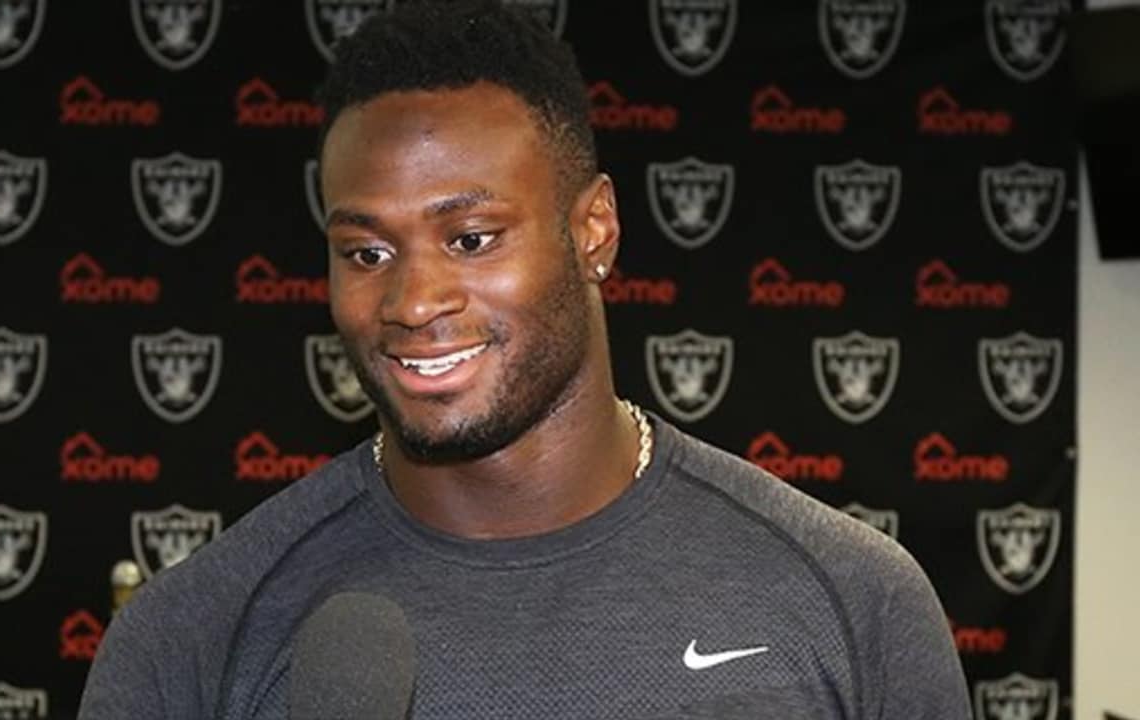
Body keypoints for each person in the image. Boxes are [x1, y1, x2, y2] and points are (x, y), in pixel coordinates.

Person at [78, 2, 972, 717]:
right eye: (366, 252)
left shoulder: (852, 599)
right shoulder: (192, 636)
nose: (413, 301)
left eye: (470, 238)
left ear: (594, 232)